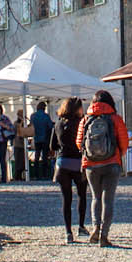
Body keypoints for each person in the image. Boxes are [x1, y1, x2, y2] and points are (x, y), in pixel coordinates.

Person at [82, 89, 132, 247]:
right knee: (108, 200)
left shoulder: (86, 119)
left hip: (91, 164)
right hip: (112, 162)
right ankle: (104, 234)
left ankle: (95, 228)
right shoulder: (115, 118)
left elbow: (79, 142)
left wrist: (89, 155)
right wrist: (119, 154)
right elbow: (124, 140)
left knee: (95, 198)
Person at [54, 97, 90, 242]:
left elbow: (52, 145)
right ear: (77, 109)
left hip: (62, 163)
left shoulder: (58, 124)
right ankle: (81, 226)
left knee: (66, 198)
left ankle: (68, 232)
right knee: (82, 195)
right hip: (78, 163)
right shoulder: (81, 123)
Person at [30, 100, 56, 181]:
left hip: (36, 139)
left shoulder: (33, 116)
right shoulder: (46, 116)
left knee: (37, 157)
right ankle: (44, 174)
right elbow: (50, 126)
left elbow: (31, 126)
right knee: (45, 157)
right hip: (45, 139)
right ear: (44, 108)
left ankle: (36, 175)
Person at [12, 109, 30, 182]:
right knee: (18, 161)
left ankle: (22, 176)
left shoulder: (24, 123)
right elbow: (16, 132)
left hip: (23, 145)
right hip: (17, 144)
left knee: (23, 161)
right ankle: (17, 176)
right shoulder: (16, 123)